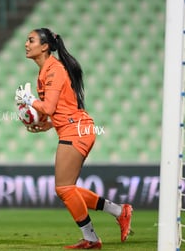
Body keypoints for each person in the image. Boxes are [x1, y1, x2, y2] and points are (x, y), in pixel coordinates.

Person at [15, 28, 133, 249]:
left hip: (76, 131)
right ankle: (120, 211)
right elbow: (59, 109)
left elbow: (48, 106)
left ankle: (91, 238)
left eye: (30, 40)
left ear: (45, 46)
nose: (26, 44)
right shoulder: (46, 71)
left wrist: (29, 99)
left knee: (64, 189)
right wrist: (47, 124)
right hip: (75, 129)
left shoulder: (53, 71)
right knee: (68, 188)